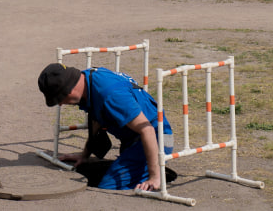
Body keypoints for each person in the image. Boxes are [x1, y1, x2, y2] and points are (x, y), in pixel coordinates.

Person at [38, 63, 173, 192]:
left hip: (157, 139)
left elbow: (147, 129)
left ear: (70, 91)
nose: (61, 105)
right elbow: (96, 118)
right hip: (135, 140)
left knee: (108, 185)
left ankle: (158, 170)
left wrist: (155, 177)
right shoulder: (87, 80)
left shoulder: (110, 95)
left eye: (59, 99)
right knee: (115, 173)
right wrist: (84, 155)